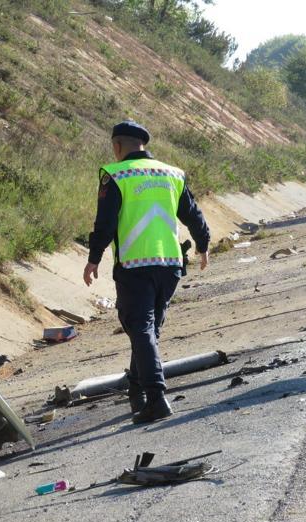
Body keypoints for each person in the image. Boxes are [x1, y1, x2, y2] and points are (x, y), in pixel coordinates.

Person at [83, 121, 210, 425]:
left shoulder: (115, 175)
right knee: (148, 330)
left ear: (117, 146)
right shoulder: (172, 174)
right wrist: (203, 245)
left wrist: (93, 258)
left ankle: (155, 396)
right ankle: (137, 393)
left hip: (135, 265)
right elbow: (193, 214)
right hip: (170, 264)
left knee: (140, 328)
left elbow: (106, 222)